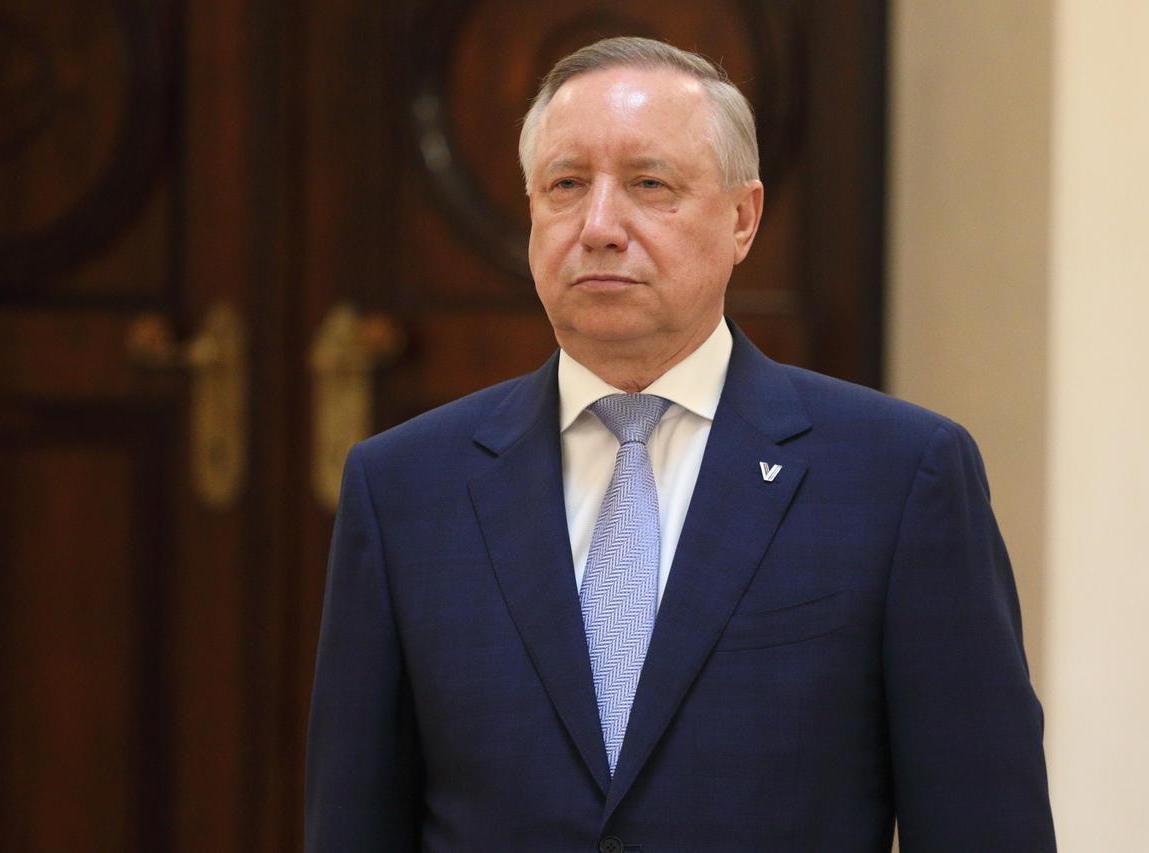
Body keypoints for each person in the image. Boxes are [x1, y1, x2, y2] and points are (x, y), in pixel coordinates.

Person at [305, 36, 1056, 852]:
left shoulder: (899, 478)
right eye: (566, 185)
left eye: (648, 184)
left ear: (742, 218)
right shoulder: (404, 490)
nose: (598, 226)